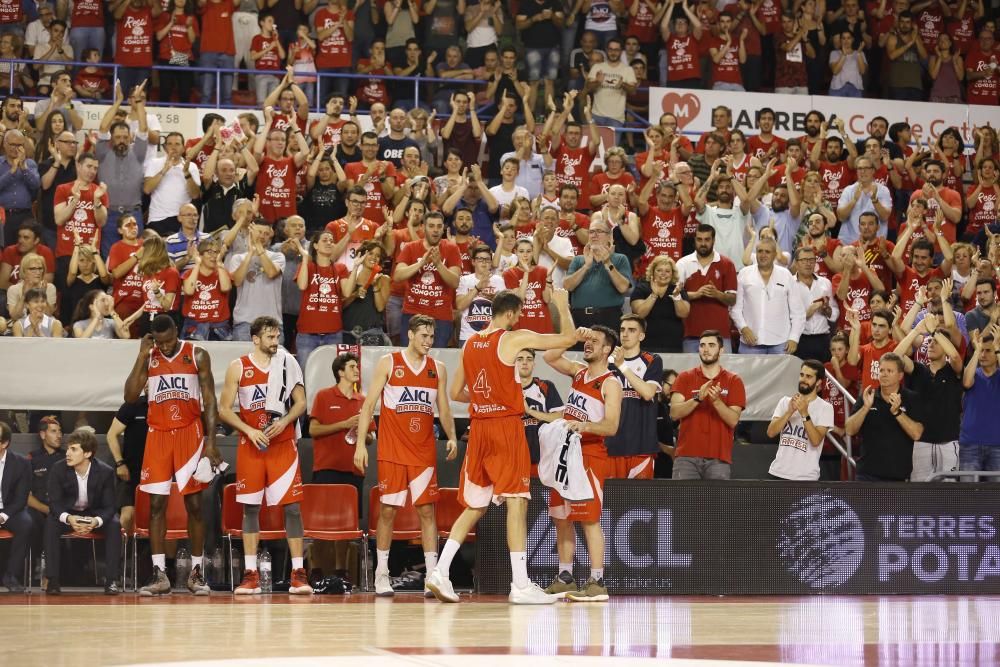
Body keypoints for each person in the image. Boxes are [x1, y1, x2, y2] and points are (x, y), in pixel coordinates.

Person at [425, 288, 582, 605]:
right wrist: (562, 305)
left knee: (475, 506)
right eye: (518, 314)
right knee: (517, 502)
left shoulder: (470, 344)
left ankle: (440, 572)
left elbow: (456, 392)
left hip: (479, 427)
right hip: (505, 428)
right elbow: (567, 339)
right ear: (511, 314)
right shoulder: (512, 338)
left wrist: (488, 399)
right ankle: (520, 584)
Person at [354, 315, 458, 597]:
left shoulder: (438, 368)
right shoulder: (389, 363)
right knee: (388, 510)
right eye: (424, 335)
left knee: (427, 511)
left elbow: (444, 409)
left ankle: (432, 576)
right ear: (410, 334)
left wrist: (450, 436)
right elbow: (368, 406)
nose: (428, 341)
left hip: (423, 452)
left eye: (432, 337)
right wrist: (360, 445)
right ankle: (382, 573)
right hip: (392, 451)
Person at [124, 314, 221, 596]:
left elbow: (210, 399)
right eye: (159, 342)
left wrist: (211, 441)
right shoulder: (151, 356)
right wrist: (142, 356)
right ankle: (159, 575)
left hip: (189, 433)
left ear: (176, 332)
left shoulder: (197, 355)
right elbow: (130, 397)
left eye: (168, 342)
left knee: (194, 505)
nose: (164, 347)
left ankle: (196, 572)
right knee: (156, 506)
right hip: (158, 434)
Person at [218, 316, 313, 595]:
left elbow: (301, 403)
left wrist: (285, 422)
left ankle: (298, 573)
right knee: (250, 508)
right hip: (252, 445)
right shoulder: (239, 367)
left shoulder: (287, 363)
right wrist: (248, 429)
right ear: (256, 339)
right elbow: (224, 409)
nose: (275, 342)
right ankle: (250, 574)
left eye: (277, 337)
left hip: (282, 444)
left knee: (293, 508)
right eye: (270, 337)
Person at [541, 324, 623, 601]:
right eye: (587, 342)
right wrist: (574, 337)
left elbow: (611, 426)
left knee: (589, 519)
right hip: (566, 452)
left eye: (594, 341)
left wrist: (584, 426)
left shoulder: (611, 383)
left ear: (607, 349)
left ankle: (597, 582)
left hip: (589, 454)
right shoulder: (579, 371)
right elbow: (549, 357)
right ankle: (565, 576)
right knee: (561, 518)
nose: (588, 345)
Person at [308, 353, 367, 580]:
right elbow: (313, 430)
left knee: (346, 524)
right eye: (352, 366)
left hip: (353, 470)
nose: (356, 369)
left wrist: (362, 431)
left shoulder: (362, 400)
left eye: (357, 366)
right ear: (340, 372)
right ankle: (317, 569)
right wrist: (344, 424)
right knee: (320, 523)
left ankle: (341, 570)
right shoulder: (323, 396)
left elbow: (370, 435)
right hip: (326, 468)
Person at [43, 429, 122, 595]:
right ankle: (53, 580)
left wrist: (95, 522)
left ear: (87, 453)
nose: (68, 453)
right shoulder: (58, 469)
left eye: (74, 449)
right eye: (68, 448)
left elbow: (110, 506)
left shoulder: (105, 472)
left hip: (94, 513)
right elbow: (54, 504)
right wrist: (69, 518)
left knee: (114, 524)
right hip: (69, 513)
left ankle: (111, 580)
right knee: (51, 523)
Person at [893, 315, 964, 481]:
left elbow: (955, 357)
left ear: (946, 347)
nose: (931, 344)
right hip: (921, 442)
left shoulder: (953, 371)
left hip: (948, 441)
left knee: (949, 494)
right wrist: (917, 331)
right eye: (930, 341)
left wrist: (934, 330)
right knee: (920, 495)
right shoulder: (918, 370)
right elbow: (895, 357)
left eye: (936, 342)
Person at [670, 330, 747, 480]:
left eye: (711, 345)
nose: (706, 349)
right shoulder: (684, 377)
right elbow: (674, 413)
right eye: (702, 345)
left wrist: (717, 401)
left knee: (716, 504)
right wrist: (697, 398)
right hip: (686, 457)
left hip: (718, 458)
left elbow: (733, 420)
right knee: (682, 504)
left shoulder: (734, 381)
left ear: (721, 350)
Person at [845, 353, 925, 481]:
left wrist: (897, 412)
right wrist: (865, 408)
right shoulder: (868, 396)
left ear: (900, 375)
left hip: (898, 477)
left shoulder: (911, 398)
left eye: (889, 371)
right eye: (881, 370)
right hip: (866, 475)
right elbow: (849, 429)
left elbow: (917, 434)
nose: (884, 374)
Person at [604, 315, 662, 479]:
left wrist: (622, 365)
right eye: (622, 329)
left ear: (641, 336)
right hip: (611, 445)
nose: (625, 334)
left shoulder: (652, 360)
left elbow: (648, 393)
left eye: (631, 330)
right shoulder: (605, 363)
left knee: (639, 502)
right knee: (611, 502)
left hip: (642, 446)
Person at [393, 211, 462, 347]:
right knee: (411, 357)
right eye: (431, 226)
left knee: (435, 359)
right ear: (423, 227)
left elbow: (454, 282)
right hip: (412, 313)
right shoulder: (410, 247)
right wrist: (420, 263)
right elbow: (397, 275)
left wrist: (438, 264)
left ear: (443, 228)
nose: (435, 230)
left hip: (440, 316)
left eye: (438, 226)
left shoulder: (452, 248)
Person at [732, 237, 805, 354]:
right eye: (760, 251)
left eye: (767, 252)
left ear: (775, 254)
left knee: (782, 373)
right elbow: (735, 308)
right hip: (750, 342)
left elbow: (798, 311)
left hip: (781, 343)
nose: (763, 255)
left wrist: (794, 338)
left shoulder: (785, 275)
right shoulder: (744, 274)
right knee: (750, 373)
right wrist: (743, 328)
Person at [766, 360, 834, 480]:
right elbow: (771, 433)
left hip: (806, 477)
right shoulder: (785, 401)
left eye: (809, 376)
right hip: (778, 472)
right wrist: (789, 412)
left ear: (818, 381)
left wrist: (804, 413)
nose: (803, 379)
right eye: (802, 375)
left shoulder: (826, 408)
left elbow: (816, 440)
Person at [676, 224, 738, 352]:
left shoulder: (727, 264)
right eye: (699, 239)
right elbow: (675, 296)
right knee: (691, 372)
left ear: (713, 240)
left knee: (722, 372)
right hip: (691, 333)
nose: (703, 243)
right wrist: (696, 294)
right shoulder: (683, 264)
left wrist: (717, 294)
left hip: (720, 334)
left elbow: (732, 299)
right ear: (695, 240)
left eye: (707, 239)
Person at [563, 220, 632, 331]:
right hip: (580, 318)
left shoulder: (620, 259)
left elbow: (623, 288)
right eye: (591, 232)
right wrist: (586, 266)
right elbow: (567, 286)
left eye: (599, 231)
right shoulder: (578, 260)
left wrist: (607, 262)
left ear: (609, 236)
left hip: (609, 317)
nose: (594, 235)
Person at [960, 326, 1000, 477]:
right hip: (970, 444)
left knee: (996, 498)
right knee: (969, 498)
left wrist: (997, 348)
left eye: (988, 350)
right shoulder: (973, 373)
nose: (983, 354)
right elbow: (966, 382)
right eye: (982, 350)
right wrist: (976, 350)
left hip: (998, 445)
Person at [143, 132, 201, 237]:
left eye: (177, 144)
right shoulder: (154, 163)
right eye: (169, 144)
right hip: (158, 219)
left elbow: (195, 195)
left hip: (183, 220)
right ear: (165, 148)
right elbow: (147, 189)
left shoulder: (191, 167)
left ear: (183, 148)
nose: (173, 147)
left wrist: (187, 174)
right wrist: (164, 170)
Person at [105, 395, 148, 536]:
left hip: (158, 473)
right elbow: (111, 434)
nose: (147, 383)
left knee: (161, 516)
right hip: (130, 472)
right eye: (145, 380)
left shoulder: (166, 405)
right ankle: (120, 556)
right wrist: (120, 463)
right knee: (127, 516)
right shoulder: (132, 404)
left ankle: (164, 558)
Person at [517, 349, 564, 474]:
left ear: (534, 364)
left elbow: (558, 417)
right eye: (520, 359)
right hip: (514, 458)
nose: (525, 363)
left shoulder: (546, 386)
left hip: (542, 458)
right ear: (513, 363)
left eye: (529, 359)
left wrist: (528, 411)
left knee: (542, 493)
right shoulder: (504, 390)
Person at [630, 255, 689, 352]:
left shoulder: (678, 290)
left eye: (667, 271)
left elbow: (683, 313)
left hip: (673, 345)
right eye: (659, 270)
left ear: (672, 274)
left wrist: (677, 297)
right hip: (646, 345)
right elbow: (640, 314)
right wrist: (654, 294)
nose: (663, 274)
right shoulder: (642, 288)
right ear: (653, 271)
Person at [0, 421, 31, 593]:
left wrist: (3, 516)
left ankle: (11, 576)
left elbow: (21, 499)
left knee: (25, 524)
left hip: (10, 510)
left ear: (4, 443)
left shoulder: (21, 463)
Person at [456, 244, 506, 346]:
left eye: (487, 259)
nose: (484, 262)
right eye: (480, 259)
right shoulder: (465, 280)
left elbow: (505, 310)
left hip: (493, 335)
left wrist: (495, 299)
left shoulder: (498, 280)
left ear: (491, 263)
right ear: (473, 262)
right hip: (468, 335)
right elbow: (460, 306)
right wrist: (478, 287)